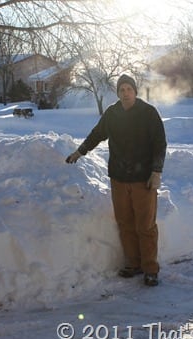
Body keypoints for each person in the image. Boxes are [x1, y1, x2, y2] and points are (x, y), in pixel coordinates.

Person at [66, 74, 167, 286]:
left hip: (143, 180)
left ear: (135, 91)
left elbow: (160, 143)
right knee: (125, 223)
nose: (125, 93)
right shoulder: (112, 114)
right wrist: (79, 152)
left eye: (129, 89)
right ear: (118, 93)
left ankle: (150, 268)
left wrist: (156, 171)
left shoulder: (148, 113)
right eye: (122, 90)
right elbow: (97, 134)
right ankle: (133, 263)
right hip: (119, 178)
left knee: (146, 225)